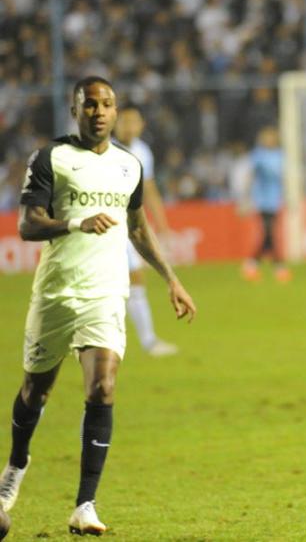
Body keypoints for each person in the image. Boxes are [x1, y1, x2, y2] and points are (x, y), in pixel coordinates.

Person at [0, 77, 196, 535]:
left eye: (107, 104)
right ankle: (14, 470)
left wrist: (171, 278)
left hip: (106, 293)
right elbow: (28, 226)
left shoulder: (129, 166)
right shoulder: (51, 158)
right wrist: (75, 222)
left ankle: (85, 504)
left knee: (103, 387)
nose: (100, 111)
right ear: (76, 110)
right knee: (35, 392)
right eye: (90, 104)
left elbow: (138, 228)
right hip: (55, 294)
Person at [113, 105, 179, 356]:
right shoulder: (101, 148)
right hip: (101, 224)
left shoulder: (141, 151)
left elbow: (149, 189)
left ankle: (148, 341)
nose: (129, 127)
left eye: (134, 122)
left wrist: (162, 226)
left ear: (141, 125)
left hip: (126, 225)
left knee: (135, 277)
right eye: (124, 121)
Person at [241, 125, 290, 282]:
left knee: (269, 234)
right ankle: (278, 266)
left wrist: (287, 196)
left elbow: (284, 178)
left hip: (275, 200)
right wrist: (246, 197)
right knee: (269, 232)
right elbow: (251, 176)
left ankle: (252, 264)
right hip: (262, 200)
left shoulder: (280, 155)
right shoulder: (259, 155)